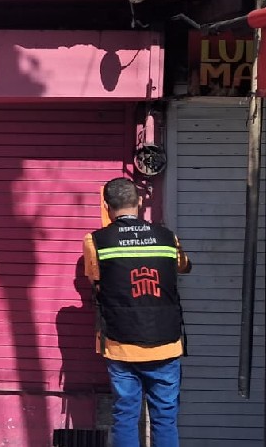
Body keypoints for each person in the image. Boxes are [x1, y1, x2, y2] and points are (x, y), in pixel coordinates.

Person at [83, 177, 192, 447]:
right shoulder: (168, 237)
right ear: (140, 202)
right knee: (165, 417)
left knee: (125, 416)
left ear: (107, 206)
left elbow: (94, 279)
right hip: (166, 344)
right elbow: (184, 266)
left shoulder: (96, 240)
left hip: (121, 345)